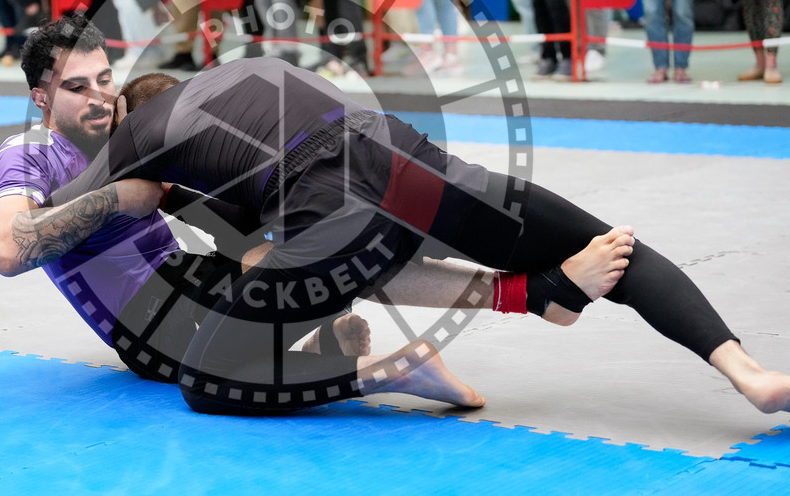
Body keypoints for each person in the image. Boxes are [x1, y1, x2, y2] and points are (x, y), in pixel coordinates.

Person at [46, 45, 790, 418]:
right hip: (402, 152)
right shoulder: (246, 82)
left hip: (334, 195)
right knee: (615, 247)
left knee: (206, 380)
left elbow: (33, 229)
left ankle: (396, 366)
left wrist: (108, 185)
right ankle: (747, 373)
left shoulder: (155, 138)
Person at [0, 15, 372, 383]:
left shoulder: (118, 129)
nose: (99, 98)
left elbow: (188, 196)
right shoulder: (29, 151)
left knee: (309, 242)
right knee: (231, 347)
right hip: (145, 321)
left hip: (185, 272)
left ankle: (320, 343)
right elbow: (7, 249)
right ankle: (359, 366)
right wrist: (115, 198)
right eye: (76, 87)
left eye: (104, 79)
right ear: (41, 97)